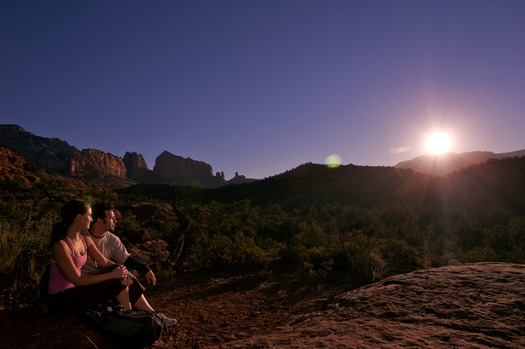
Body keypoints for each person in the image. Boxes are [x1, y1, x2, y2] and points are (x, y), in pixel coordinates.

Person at [47, 199, 176, 327]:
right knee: (114, 276)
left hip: (78, 292)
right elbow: (77, 280)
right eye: (89, 215)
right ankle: (129, 316)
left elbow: (105, 262)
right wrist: (112, 275)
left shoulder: (84, 239)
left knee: (118, 270)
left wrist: (122, 271)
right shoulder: (61, 246)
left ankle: (151, 314)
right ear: (79, 218)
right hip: (62, 299)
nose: (91, 219)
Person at [81, 203, 156, 285]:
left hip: (105, 276)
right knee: (120, 275)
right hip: (87, 280)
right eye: (112, 218)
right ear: (100, 221)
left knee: (129, 271)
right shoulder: (81, 237)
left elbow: (126, 258)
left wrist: (145, 268)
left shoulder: (113, 239)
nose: (115, 221)